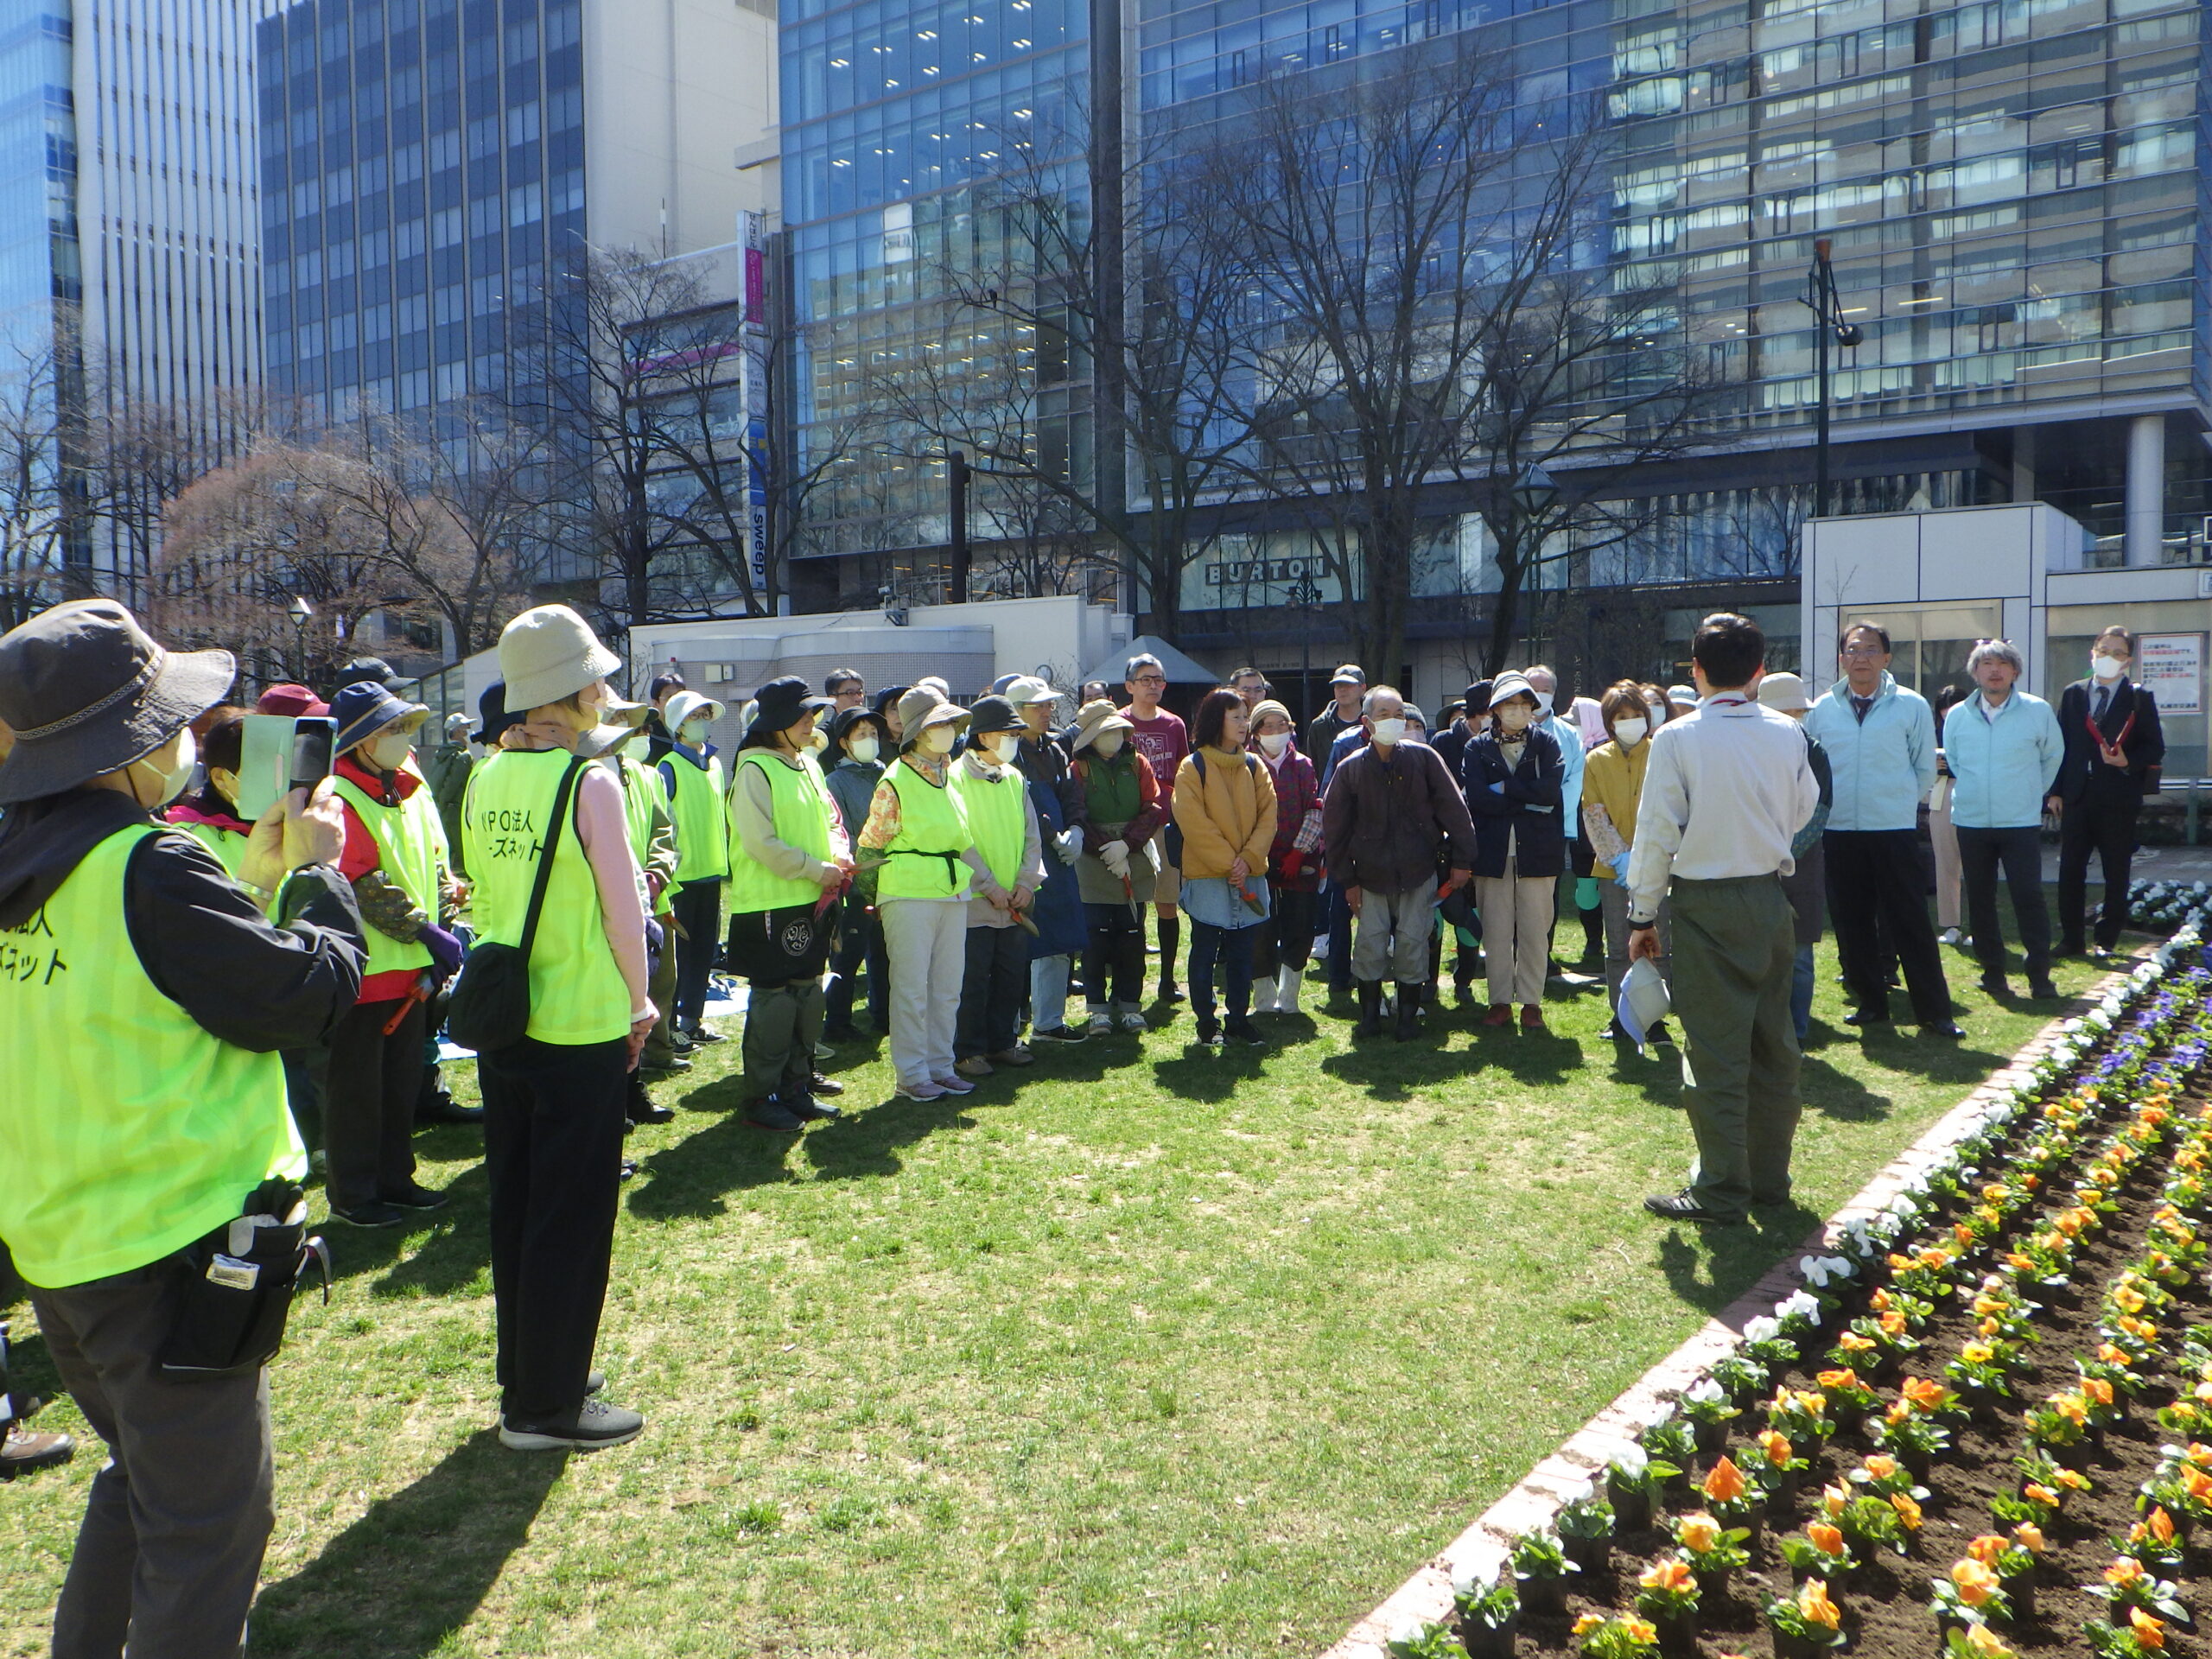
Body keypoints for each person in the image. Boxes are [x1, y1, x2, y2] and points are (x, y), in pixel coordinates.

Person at [0, 598, 365, 1650]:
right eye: (166, 722)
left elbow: (167, 984)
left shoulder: (29, 865)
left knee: (143, 1484)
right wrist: (319, 870)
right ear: (125, 745)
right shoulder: (150, 863)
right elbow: (298, 996)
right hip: (173, 1258)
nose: (182, 741)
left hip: (65, 1253)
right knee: (208, 1532)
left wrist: (254, 873)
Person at [464, 604, 655, 1451]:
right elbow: (627, 916)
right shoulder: (592, 781)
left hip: (506, 1020)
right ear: (573, 692)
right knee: (572, 1218)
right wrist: (641, 1004)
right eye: (598, 680)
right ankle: (546, 1407)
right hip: (579, 1022)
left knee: (518, 1204)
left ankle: (534, 1373)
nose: (607, 692)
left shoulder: (483, 776)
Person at [1628, 613, 1821, 1224]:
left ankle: (1720, 1189)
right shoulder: (1788, 734)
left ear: (1696, 670)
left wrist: (1642, 913)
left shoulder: (1678, 738)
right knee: (1774, 1045)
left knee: (1714, 1053)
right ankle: (1769, 1180)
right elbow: (1802, 811)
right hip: (1768, 897)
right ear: (1761, 670)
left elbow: (1656, 833)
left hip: (1705, 900)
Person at [320, 682, 462, 1228]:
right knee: (357, 1092)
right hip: (365, 970)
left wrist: (445, 913)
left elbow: (431, 860)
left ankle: (395, 1179)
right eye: (390, 729)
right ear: (358, 742)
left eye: (403, 727)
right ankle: (354, 1195)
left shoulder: (406, 788)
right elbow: (360, 879)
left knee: (399, 1086)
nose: (403, 738)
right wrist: (426, 931)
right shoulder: (339, 794)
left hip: (410, 968)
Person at [1803, 621, 1961, 1038]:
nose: (1861, 658)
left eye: (1871, 650)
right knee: (1851, 922)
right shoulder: (1822, 709)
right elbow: (1812, 768)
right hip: (1839, 830)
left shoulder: (1910, 705)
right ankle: (1871, 1003)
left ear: (1886, 658)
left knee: (1909, 919)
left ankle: (1934, 1011)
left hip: (1892, 829)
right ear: (1841, 659)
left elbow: (1924, 766)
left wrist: (1899, 802)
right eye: (1853, 650)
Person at [859, 686, 1001, 1100]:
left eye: (951, 723)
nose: (950, 731)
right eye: (939, 724)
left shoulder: (949, 777)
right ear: (918, 732)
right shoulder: (895, 779)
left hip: (953, 892)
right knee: (911, 987)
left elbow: (962, 840)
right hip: (908, 894)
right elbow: (870, 846)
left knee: (947, 986)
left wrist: (988, 883)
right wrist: (876, 899)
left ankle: (940, 1065)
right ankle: (912, 1073)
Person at [725, 676, 850, 1132]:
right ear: (774, 722)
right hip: (770, 905)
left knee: (807, 996)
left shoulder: (808, 765)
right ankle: (762, 1095)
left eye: (812, 713)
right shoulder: (754, 770)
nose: (809, 721)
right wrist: (816, 868)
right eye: (800, 714)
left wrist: (839, 853)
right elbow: (761, 842)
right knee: (774, 1003)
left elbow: (832, 820)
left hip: (811, 900)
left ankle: (797, 1087)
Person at [1325, 684, 1475, 1039]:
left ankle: (1408, 1017)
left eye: (1399, 715)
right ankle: (1369, 1019)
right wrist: (1347, 880)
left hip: (1419, 871)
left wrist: (1463, 860)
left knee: (1413, 943)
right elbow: (1335, 830)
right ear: (1367, 722)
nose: (1393, 722)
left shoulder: (1425, 759)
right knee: (1370, 945)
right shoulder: (1349, 770)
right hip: (1369, 876)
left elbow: (1455, 811)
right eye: (1383, 715)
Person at [1942, 639, 2063, 999]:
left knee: (2028, 895)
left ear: (2015, 671)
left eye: (2002, 664)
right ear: (1975, 672)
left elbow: (2052, 757)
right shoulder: (1959, 715)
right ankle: (1992, 971)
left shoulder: (2037, 711)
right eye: (1986, 664)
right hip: (1972, 820)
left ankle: (2039, 974)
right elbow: (1956, 761)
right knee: (1980, 898)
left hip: (2019, 821)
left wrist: (2028, 792)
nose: (1994, 671)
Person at [2052, 625, 2165, 959]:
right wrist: (2055, 792)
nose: (2108, 658)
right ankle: (2072, 939)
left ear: (2127, 660)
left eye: (2116, 653)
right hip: (2077, 795)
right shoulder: (2074, 693)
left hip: (2118, 797)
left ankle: (2106, 938)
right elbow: (2062, 745)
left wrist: (2127, 760)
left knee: (2116, 871)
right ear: (2093, 652)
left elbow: (2155, 747)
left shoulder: (2138, 698)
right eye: (2103, 651)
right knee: (2070, 869)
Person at [1173, 687, 1279, 1046]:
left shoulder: (1255, 765)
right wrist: (1229, 862)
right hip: (1207, 878)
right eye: (1236, 717)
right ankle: (1206, 1022)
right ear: (1216, 720)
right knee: (1204, 952)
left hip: (1248, 874)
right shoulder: (1193, 767)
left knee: (1242, 955)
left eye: (1245, 717)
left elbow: (1269, 817)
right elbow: (1193, 821)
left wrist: (1247, 861)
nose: (1243, 724)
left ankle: (1238, 1019)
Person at [1462, 672, 1565, 1030]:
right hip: (1492, 851)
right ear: (1495, 709)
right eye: (1510, 705)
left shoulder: (1547, 744)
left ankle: (1532, 1002)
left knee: (1536, 930)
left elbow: (1549, 793)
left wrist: (1505, 787)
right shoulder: (1477, 747)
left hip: (1538, 850)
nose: (1518, 711)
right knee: (1497, 930)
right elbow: (1476, 798)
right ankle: (1500, 1000)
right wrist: (1525, 795)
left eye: (1524, 704)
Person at [595, 705, 684, 1116]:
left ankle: (635, 1090)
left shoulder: (646, 776)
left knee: (653, 992)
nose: (626, 730)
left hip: (651, 908)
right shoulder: (584, 774)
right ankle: (615, 1098)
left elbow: (665, 831)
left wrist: (656, 873)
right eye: (615, 720)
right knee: (613, 1005)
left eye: (630, 723)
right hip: (604, 914)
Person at [952, 696, 1046, 1075]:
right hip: (975, 899)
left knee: (1010, 975)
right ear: (985, 736)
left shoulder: (1014, 777)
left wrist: (1027, 882)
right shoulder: (954, 777)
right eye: (1009, 734)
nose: (1015, 740)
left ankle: (1002, 1042)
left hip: (1014, 900)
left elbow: (1031, 835)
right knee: (972, 979)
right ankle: (967, 1050)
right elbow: (958, 840)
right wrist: (990, 886)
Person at [1068, 698, 1166, 1033]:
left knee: (1132, 936)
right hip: (1093, 861)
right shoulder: (1078, 769)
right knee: (1094, 938)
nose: (1113, 738)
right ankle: (1097, 1008)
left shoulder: (1138, 763)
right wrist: (1103, 849)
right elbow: (1076, 812)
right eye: (1104, 733)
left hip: (1133, 852)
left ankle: (1130, 1005)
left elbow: (1153, 807)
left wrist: (1127, 845)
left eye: (1116, 731)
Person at [1580, 680, 1669, 1037]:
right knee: (1618, 944)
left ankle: (1656, 1017)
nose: (1630, 721)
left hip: (1661, 866)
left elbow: (1672, 807)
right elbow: (1594, 813)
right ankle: (1621, 1017)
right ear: (1609, 722)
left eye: (1636, 715)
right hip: (1613, 870)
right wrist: (1620, 858)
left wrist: (1651, 856)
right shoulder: (1596, 760)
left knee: (1656, 944)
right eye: (1621, 716)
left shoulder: (1664, 750)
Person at [1004, 677, 1088, 1043]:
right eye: (1037, 706)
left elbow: (1070, 794)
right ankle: (1005, 1026)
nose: (1047, 710)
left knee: (1060, 934)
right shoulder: (1006, 754)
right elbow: (1021, 807)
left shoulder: (1055, 749)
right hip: (1018, 856)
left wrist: (1076, 829)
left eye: (1048, 704)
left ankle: (1049, 1021)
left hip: (1059, 859)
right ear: (1016, 712)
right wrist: (1052, 836)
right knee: (1014, 940)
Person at [1756, 672, 1833, 1045]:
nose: (1793, 717)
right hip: (1753, 863)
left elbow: (1820, 811)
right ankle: (1764, 1030)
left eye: (1796, 711)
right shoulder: (1746, 747)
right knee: (1757, 954)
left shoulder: (1814, 750)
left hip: (1800, 865)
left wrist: (1783, 855)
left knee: (1800, 956)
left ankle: (1797, 1032)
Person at [656, 689, 730, 1045]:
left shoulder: (714, 764)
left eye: (704, 715)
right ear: (677, 726)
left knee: (704, 951)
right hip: (682, 878)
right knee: (678, 955)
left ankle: (692, 1021)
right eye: (693, 716)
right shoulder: (667, 767)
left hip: (712, 872)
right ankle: (669, 1026)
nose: (700, 722)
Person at [1121, 652, 1191, 1003]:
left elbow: (1184, 773)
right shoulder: (1116, 723)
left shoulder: (1174, 725)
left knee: (1167, 901)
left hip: (1164, 824)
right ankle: (1129, 978)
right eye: (1145, 679)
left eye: (1159, 679)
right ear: (1129, 685)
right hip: (1127, 826)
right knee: (1130, 903)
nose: (1153, 685)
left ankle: (1167, 979)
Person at [822, 705, 892, 1040]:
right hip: (854, 878)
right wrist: (856, 875)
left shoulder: (887, 774)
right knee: (847, 954)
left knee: (884, 950)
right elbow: (840, 830)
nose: (869, 740)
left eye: (874, 734)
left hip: (890, 876)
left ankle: (884, 1014)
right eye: (860, 734)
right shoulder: (835, 781)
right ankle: (836, 1021)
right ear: (844, 742)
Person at [1249, 698, 1322, 1015]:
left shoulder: (1303, 765)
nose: (1276, 731)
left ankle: (1289, 996)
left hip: (1299, 860)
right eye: (1268, 725)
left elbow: (1314, 809)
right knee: (1259, 928)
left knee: (1300, 926)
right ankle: (1263, 998)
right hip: (1259, 860)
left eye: (1283, 725)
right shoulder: (1246, 765)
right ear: (1256, 732)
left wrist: (1298, 852)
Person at [1525, 664, 1599, 971]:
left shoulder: (1570, 735)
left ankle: (1545, 951)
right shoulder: (1505, 730)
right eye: (1534, 688)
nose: (1540, 695)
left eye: (1546, 689)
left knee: (1548, 891)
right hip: (1513, 823)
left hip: (1554, 825)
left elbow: (1575, 780)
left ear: (1555, 693)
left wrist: (1548, 809)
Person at [164, 710, 262, 893]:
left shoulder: (287, 822)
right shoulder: (185, 841)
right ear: (220, 778)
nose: (273, 782)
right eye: (259, 772)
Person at [1928, 683, 1968, 947]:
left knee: (1977, 865)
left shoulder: (1974, 729)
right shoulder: (1933, 734)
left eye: (1950, 708)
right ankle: (1951, 924)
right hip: (1942, 794)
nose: (1946, 714)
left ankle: (1981, 925)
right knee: (1946, 865)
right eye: (1942, 709)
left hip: (1970, 793)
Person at [419, 711, 477, 877]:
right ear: (458, 731)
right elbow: (453, 783)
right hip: (455, 810)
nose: (469, 731)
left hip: (441, 809)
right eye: (466, 727)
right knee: (463, 856)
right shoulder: (463, 755)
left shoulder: (441, 753)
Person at [1306, 664, 1365, 758]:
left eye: (1348, 685)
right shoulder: (1319, 726)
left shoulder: (1373, 723)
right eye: (1338, 685)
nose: (1342, 689)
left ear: (1363, 688)